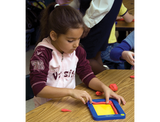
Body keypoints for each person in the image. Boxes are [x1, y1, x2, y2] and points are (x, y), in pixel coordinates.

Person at [30, 3, 126, 108]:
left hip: (68, 104)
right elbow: (38, 89)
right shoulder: (41, 54)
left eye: (79, 38)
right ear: (53, 35)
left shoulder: (78, 51)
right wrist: (70, 92)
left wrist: (104, 88)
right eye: (70, 40)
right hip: (46, 108)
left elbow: (87, 75)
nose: (76, 44)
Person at [69, 0, 123, 75]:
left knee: (83, 56)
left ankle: (108, 81)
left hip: (100, 9)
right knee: (95, 54)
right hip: (100, 8)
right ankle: (104, 82)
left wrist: (88, 22)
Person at [101, 3, 135, 69]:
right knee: (122, 57)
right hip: (108, 44)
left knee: (112, 61)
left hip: (100, 43)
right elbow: (129, 19)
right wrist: (132, 15)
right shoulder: (116, 2)